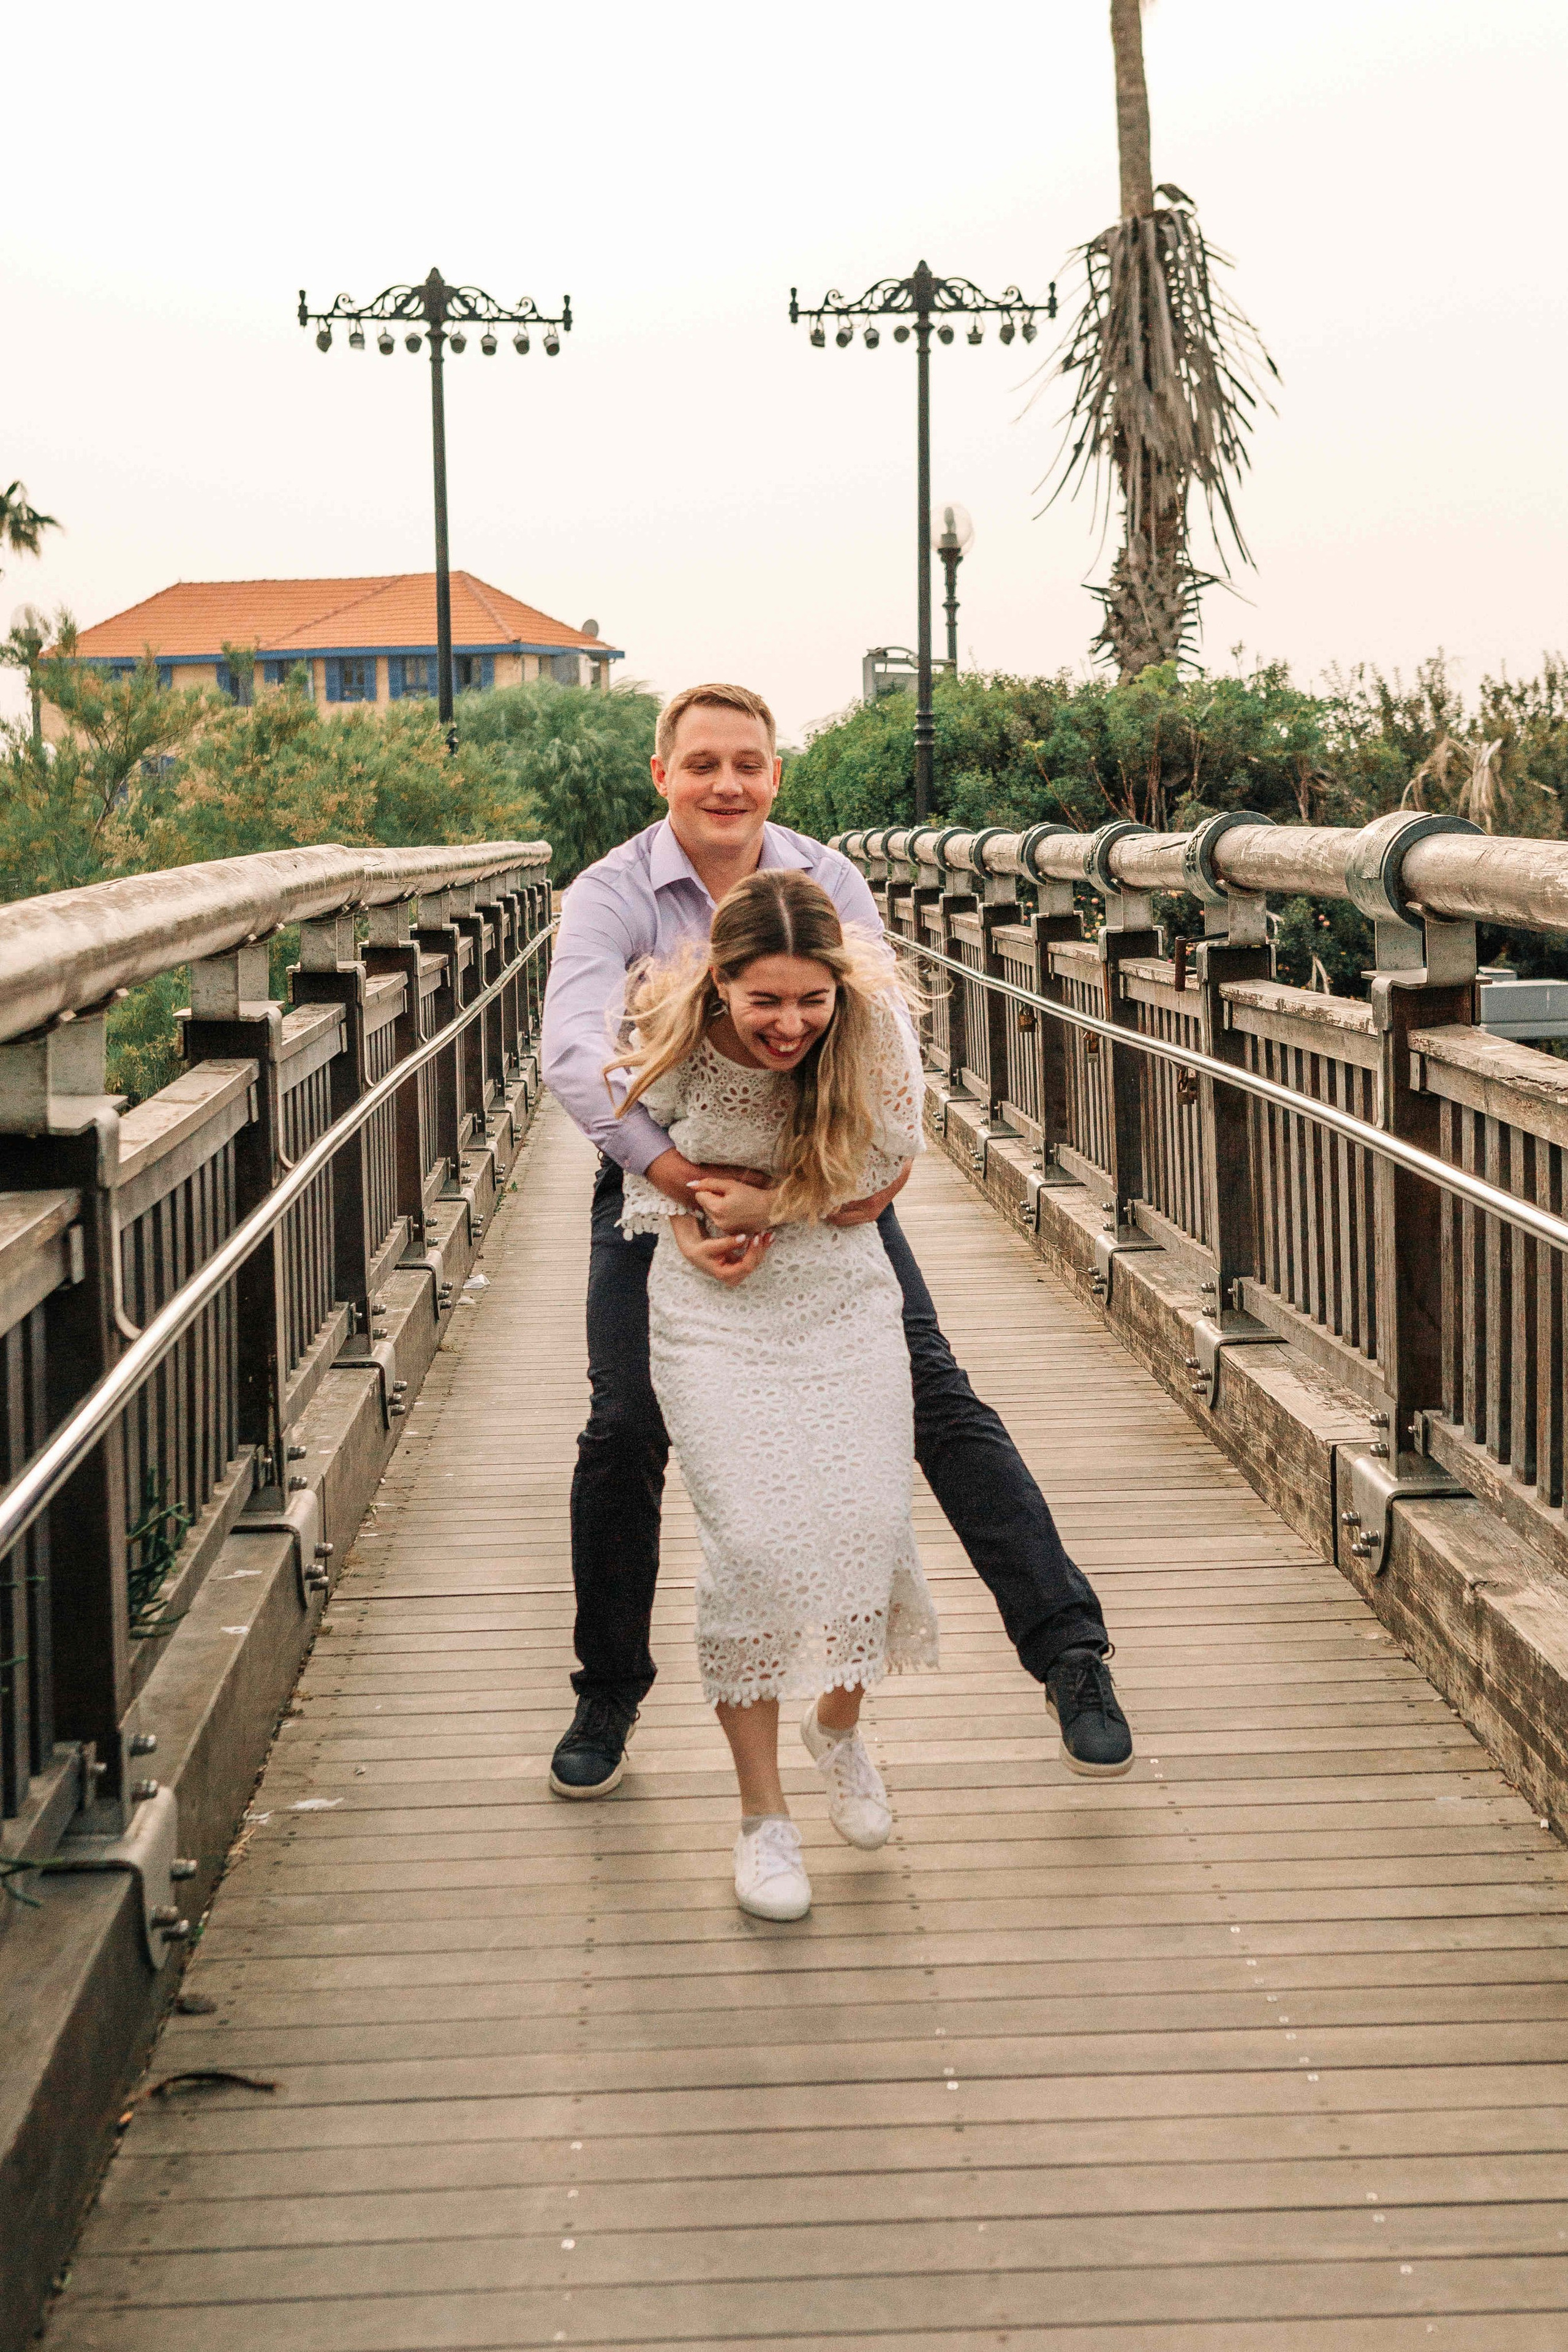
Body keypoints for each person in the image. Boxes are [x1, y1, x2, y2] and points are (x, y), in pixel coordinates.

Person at [540, 681, 1132, 1803]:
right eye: (703, 763)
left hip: (822, 1174)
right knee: (624, 1424)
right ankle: (607, 1691)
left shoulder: (829, 877)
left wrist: (880, 1168)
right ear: (661, 774)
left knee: (936, 1392)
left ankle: (1070, 1655)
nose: (728, 784)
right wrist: (680, 1191)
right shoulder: (613, 893)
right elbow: (574, 1057)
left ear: (775, 775)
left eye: (749, 764)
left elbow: (884, 1036)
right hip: (661, 1171)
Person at [607, 869, 938, 1917]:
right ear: (721, 986)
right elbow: (634, 1153)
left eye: (812, 999)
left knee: (871, 1521)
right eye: (767, 1001)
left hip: (839, 1296)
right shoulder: (672, 1025)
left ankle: (837, 1727)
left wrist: (770, 1199)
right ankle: (764, 1819)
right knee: (748, 1541)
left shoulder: (871, 1033)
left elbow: (877, 1185)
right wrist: (689, 1221)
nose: (791, 1023)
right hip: (711, 1312)